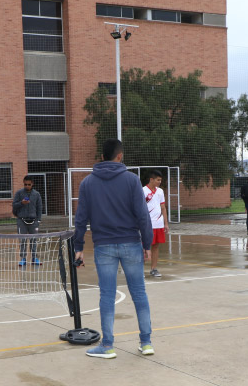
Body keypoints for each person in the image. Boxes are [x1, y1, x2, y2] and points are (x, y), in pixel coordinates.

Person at [74, 139, 153, 359]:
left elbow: (80, 219)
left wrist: (78, 246)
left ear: (101, 157)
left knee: (107, 295)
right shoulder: (132, 180)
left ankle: (107, 345)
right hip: (131, 243)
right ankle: (146, 342)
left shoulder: (87, 183)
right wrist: (147, 243)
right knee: (139, 293)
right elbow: (142, 215)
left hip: (104, 246)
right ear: (120, 156)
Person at [12, 175, 43, 266]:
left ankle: (34, 258)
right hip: (22, 220)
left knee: (34, 240)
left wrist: (39, 220)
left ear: (32, 184)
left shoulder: (36, 194)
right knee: (23, 240)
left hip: (33, 221)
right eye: (25, 184)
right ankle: (23, 258)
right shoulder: (19, 193)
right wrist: (22, 203)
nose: (27, 186)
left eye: (29, 184)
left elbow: (39, 207)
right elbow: (14, 205)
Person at [143, 171, 168, 277]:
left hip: (158, 224)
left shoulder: (160, 191)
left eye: (161, 180)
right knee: (144, 246)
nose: (160, 182)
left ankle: (154, 269)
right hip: (147, 224)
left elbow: (163, 207)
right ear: (151, 179)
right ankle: (139, 269)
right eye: (158, 180)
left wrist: (165, 223)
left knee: (156, 246)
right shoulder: (142, 191)